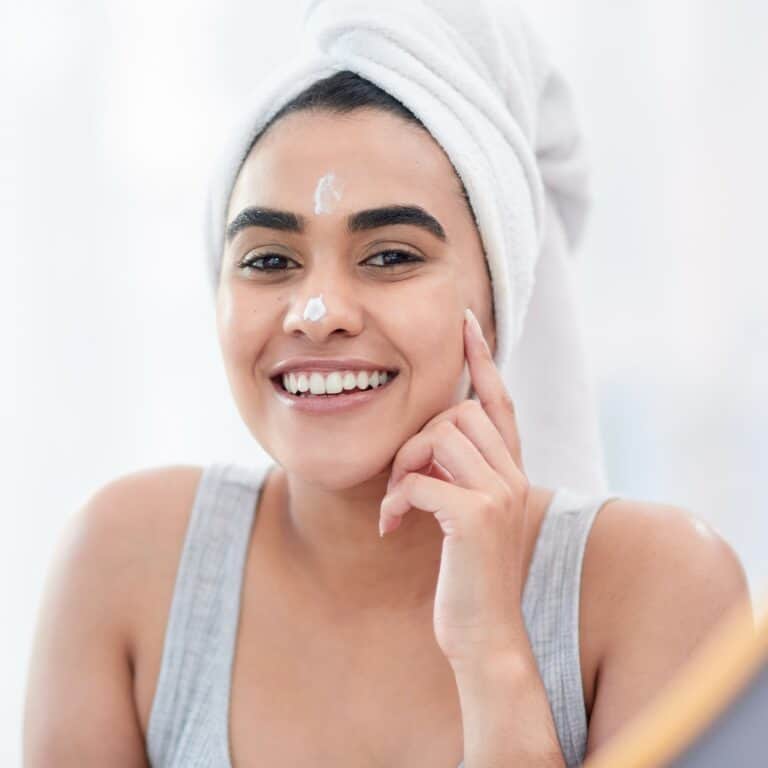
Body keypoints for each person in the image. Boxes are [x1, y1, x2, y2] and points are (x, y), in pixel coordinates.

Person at [23, 6, 752, 768]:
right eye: (269, 261)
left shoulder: (659, 587)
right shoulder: (126, 563)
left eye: (391, 255)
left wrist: (492, 652)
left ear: (500, 302)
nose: (319, 313)